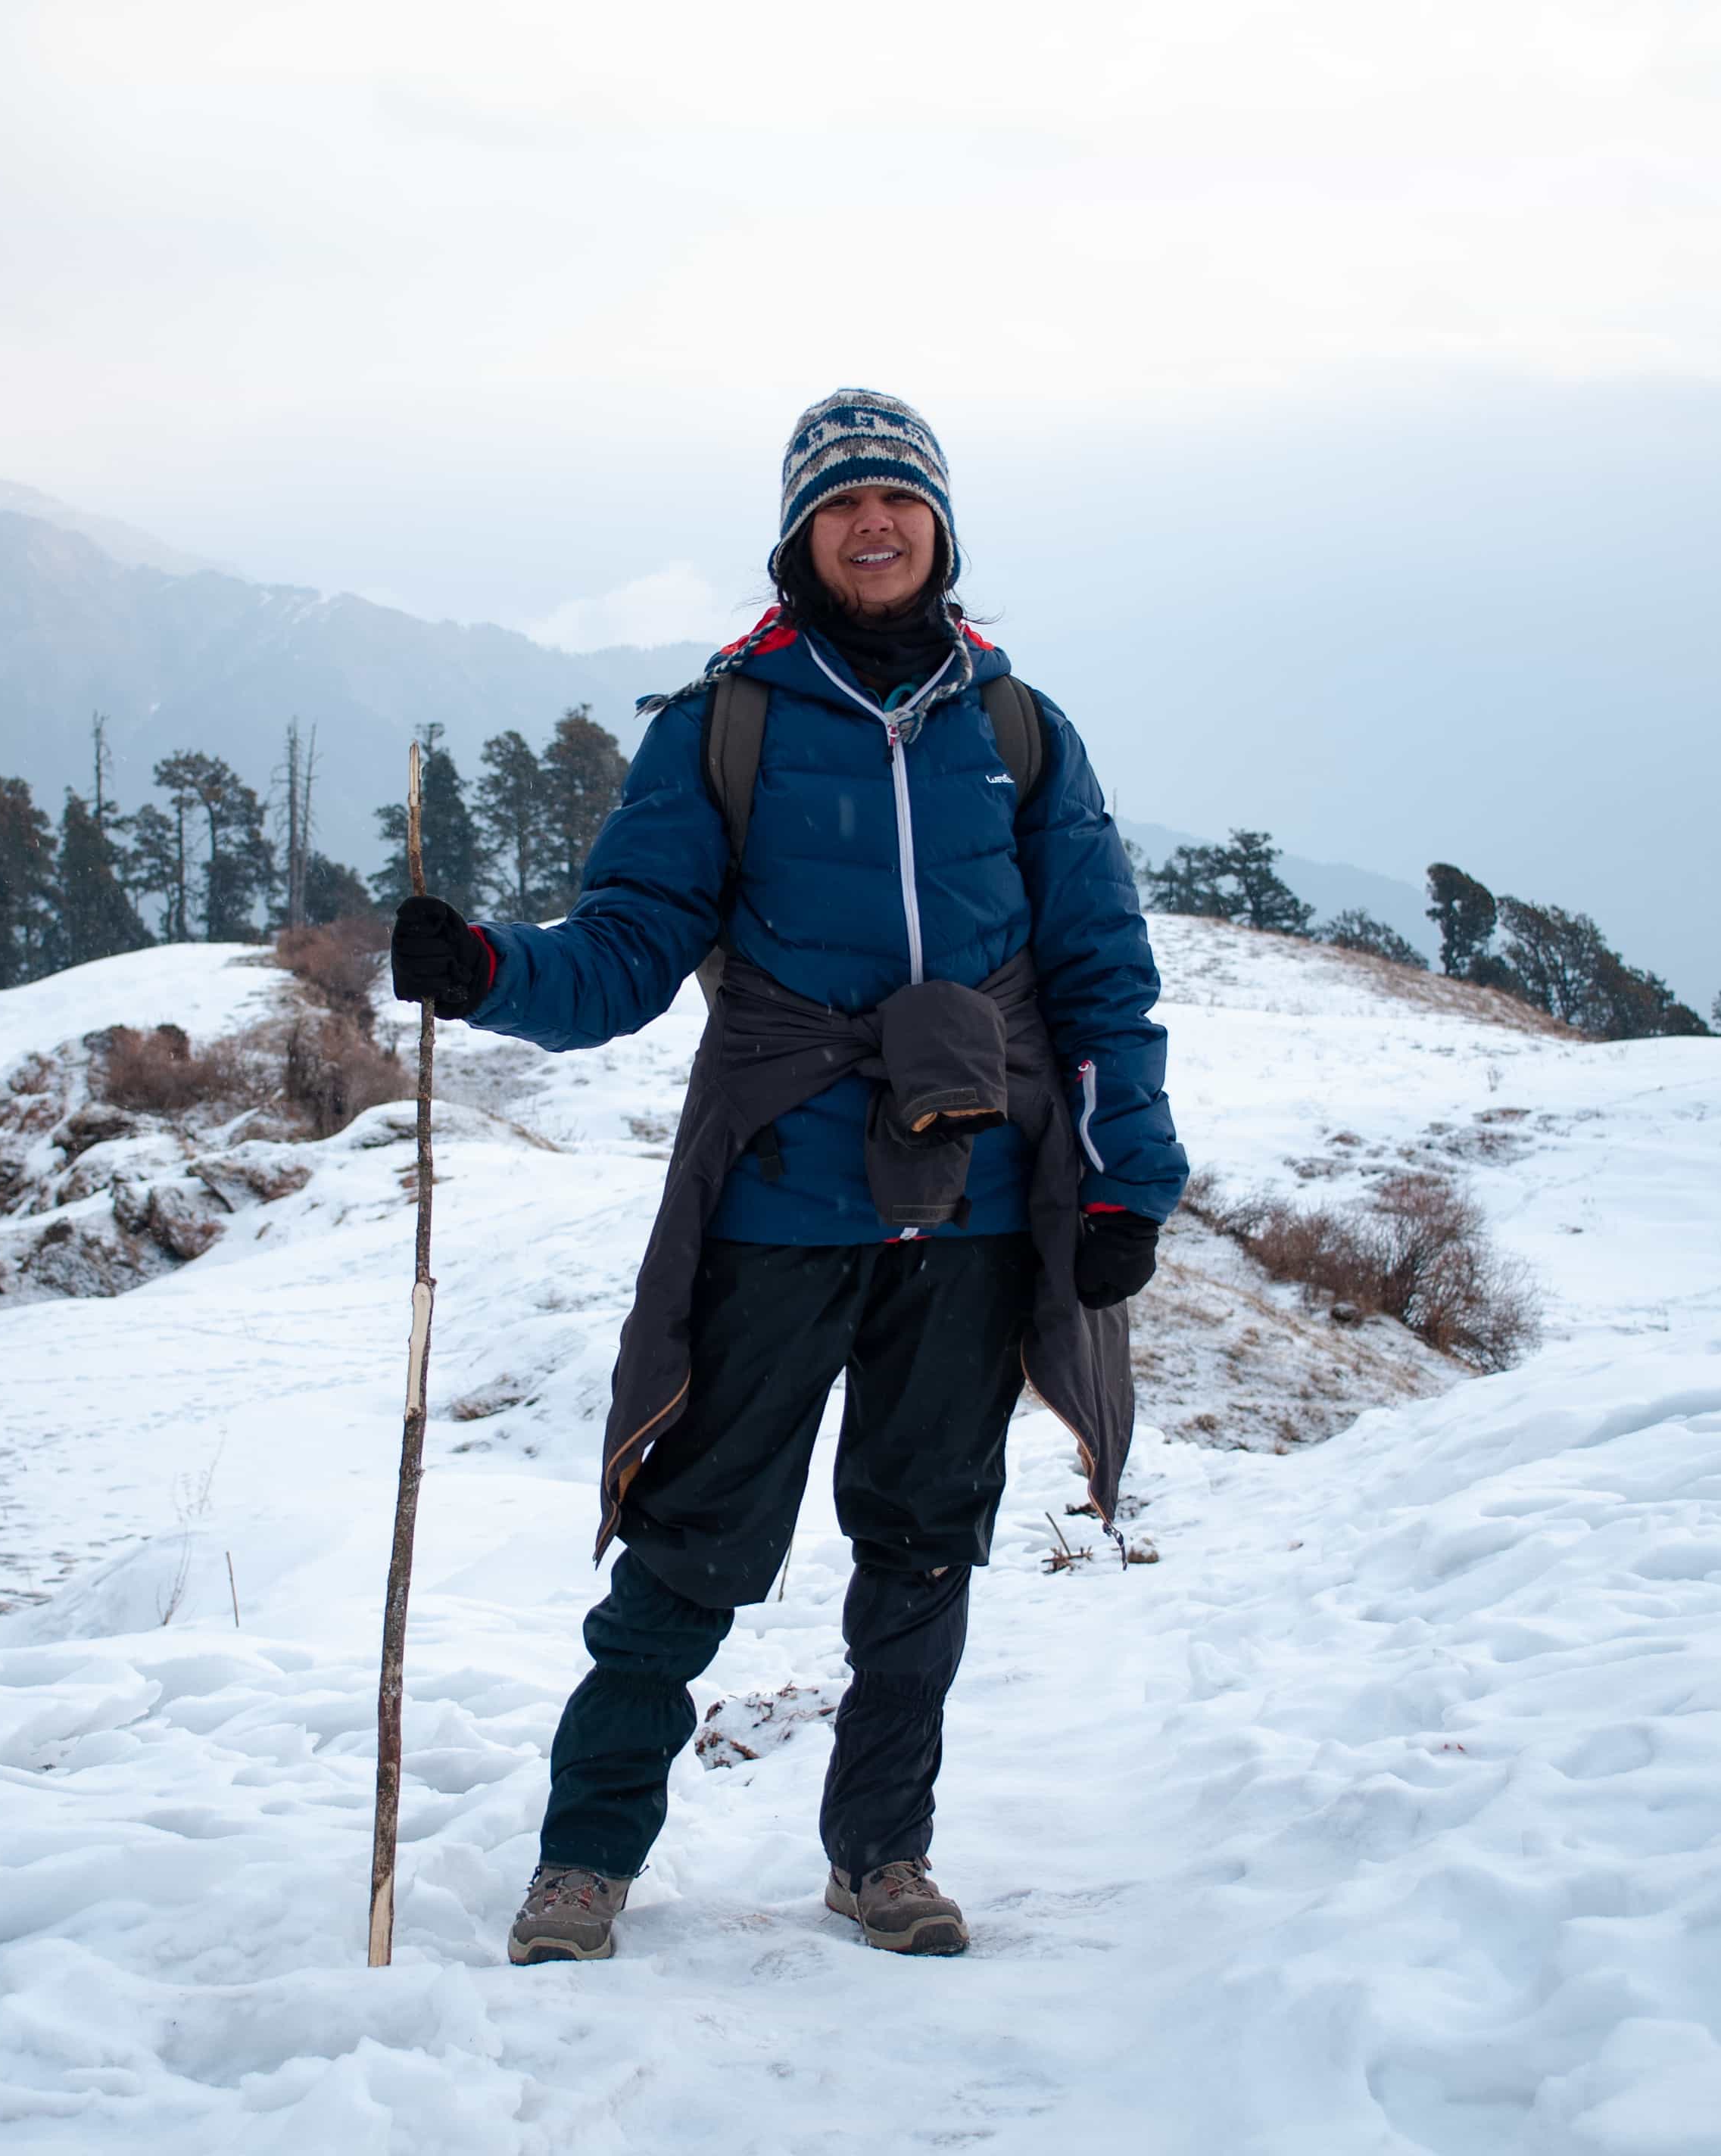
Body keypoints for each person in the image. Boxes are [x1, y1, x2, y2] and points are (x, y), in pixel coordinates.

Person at [391, 389, 1184, 1962]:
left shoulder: (1018, 731)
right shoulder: (723, 724)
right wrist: (487, 969)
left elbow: (1103, 969)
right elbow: (627, 947)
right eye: (841, 505)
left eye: (898, 500)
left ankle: (882, 1854)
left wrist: (1121, 1184)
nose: (872, 525)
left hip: (971, 1199)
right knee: (688, 1542)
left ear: (939, 527)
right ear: (799, 535)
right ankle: (584, 1863)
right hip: (780, 1193)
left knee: (923, 1541)